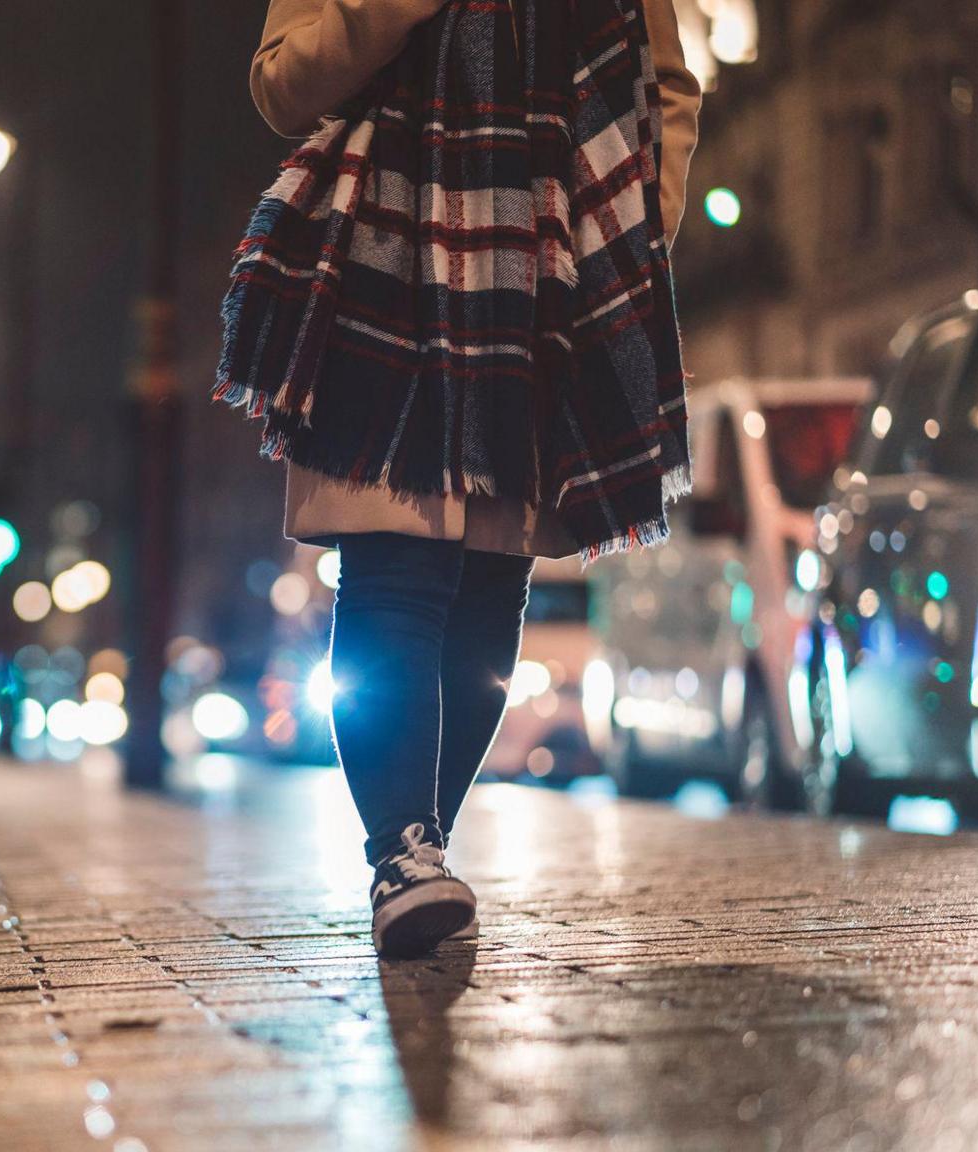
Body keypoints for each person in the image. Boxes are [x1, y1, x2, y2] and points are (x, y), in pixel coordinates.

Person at [237, 0, 702, 956]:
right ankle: (402, 851)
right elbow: (282, 83)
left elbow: (664, 86)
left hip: (542, 260)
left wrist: (634, 220)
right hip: (386, 250)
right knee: (395, 573)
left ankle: (416, 848)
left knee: (492, 584)